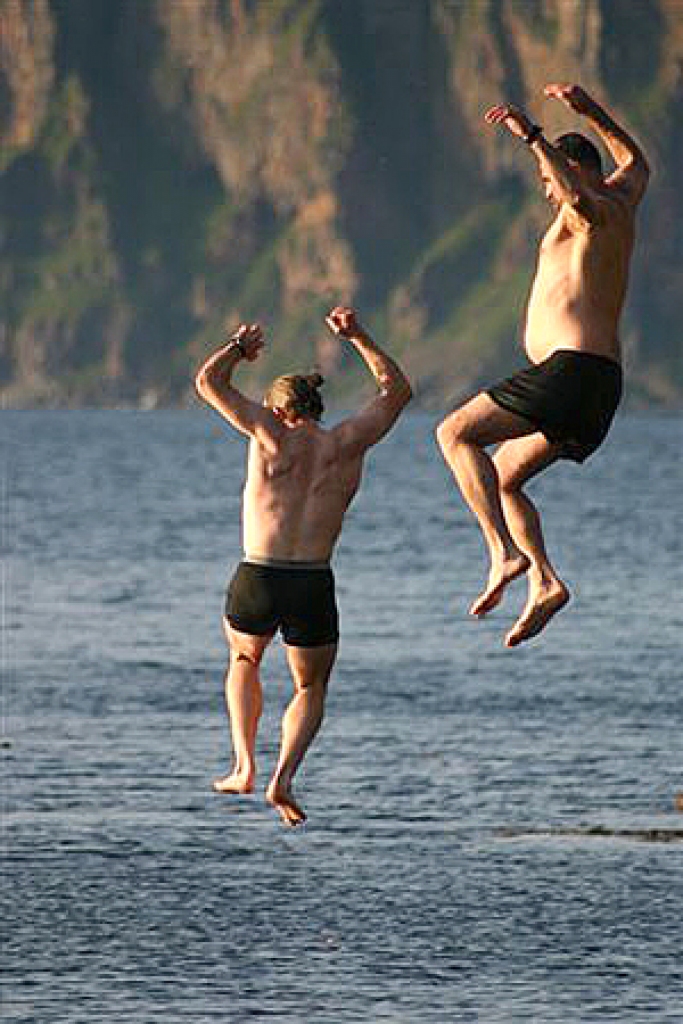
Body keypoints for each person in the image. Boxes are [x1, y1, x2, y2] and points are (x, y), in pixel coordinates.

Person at [436, 83, 649, 648]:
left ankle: (503, 552)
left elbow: (578, 201)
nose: (547, 191)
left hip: (570, 371)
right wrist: (589, 110)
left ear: (574, 171)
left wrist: (531, 136)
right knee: (503, 479)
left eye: (551, 180)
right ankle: (547, 582)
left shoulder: (594, 211)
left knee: (454, 433)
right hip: (598, 385)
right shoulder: (625, 196)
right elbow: (636, 159)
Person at [194, 307, 411, 825]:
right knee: (310, 687)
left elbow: (208, 382)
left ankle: (244, 765)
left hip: (259, 574)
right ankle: (284, 777)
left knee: (244, 661)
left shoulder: (268, 432)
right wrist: (358, 335)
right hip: (313, 580)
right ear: (315, 407)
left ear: (278, 407)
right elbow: (396, 392)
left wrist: (237, 349)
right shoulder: (347, 442)